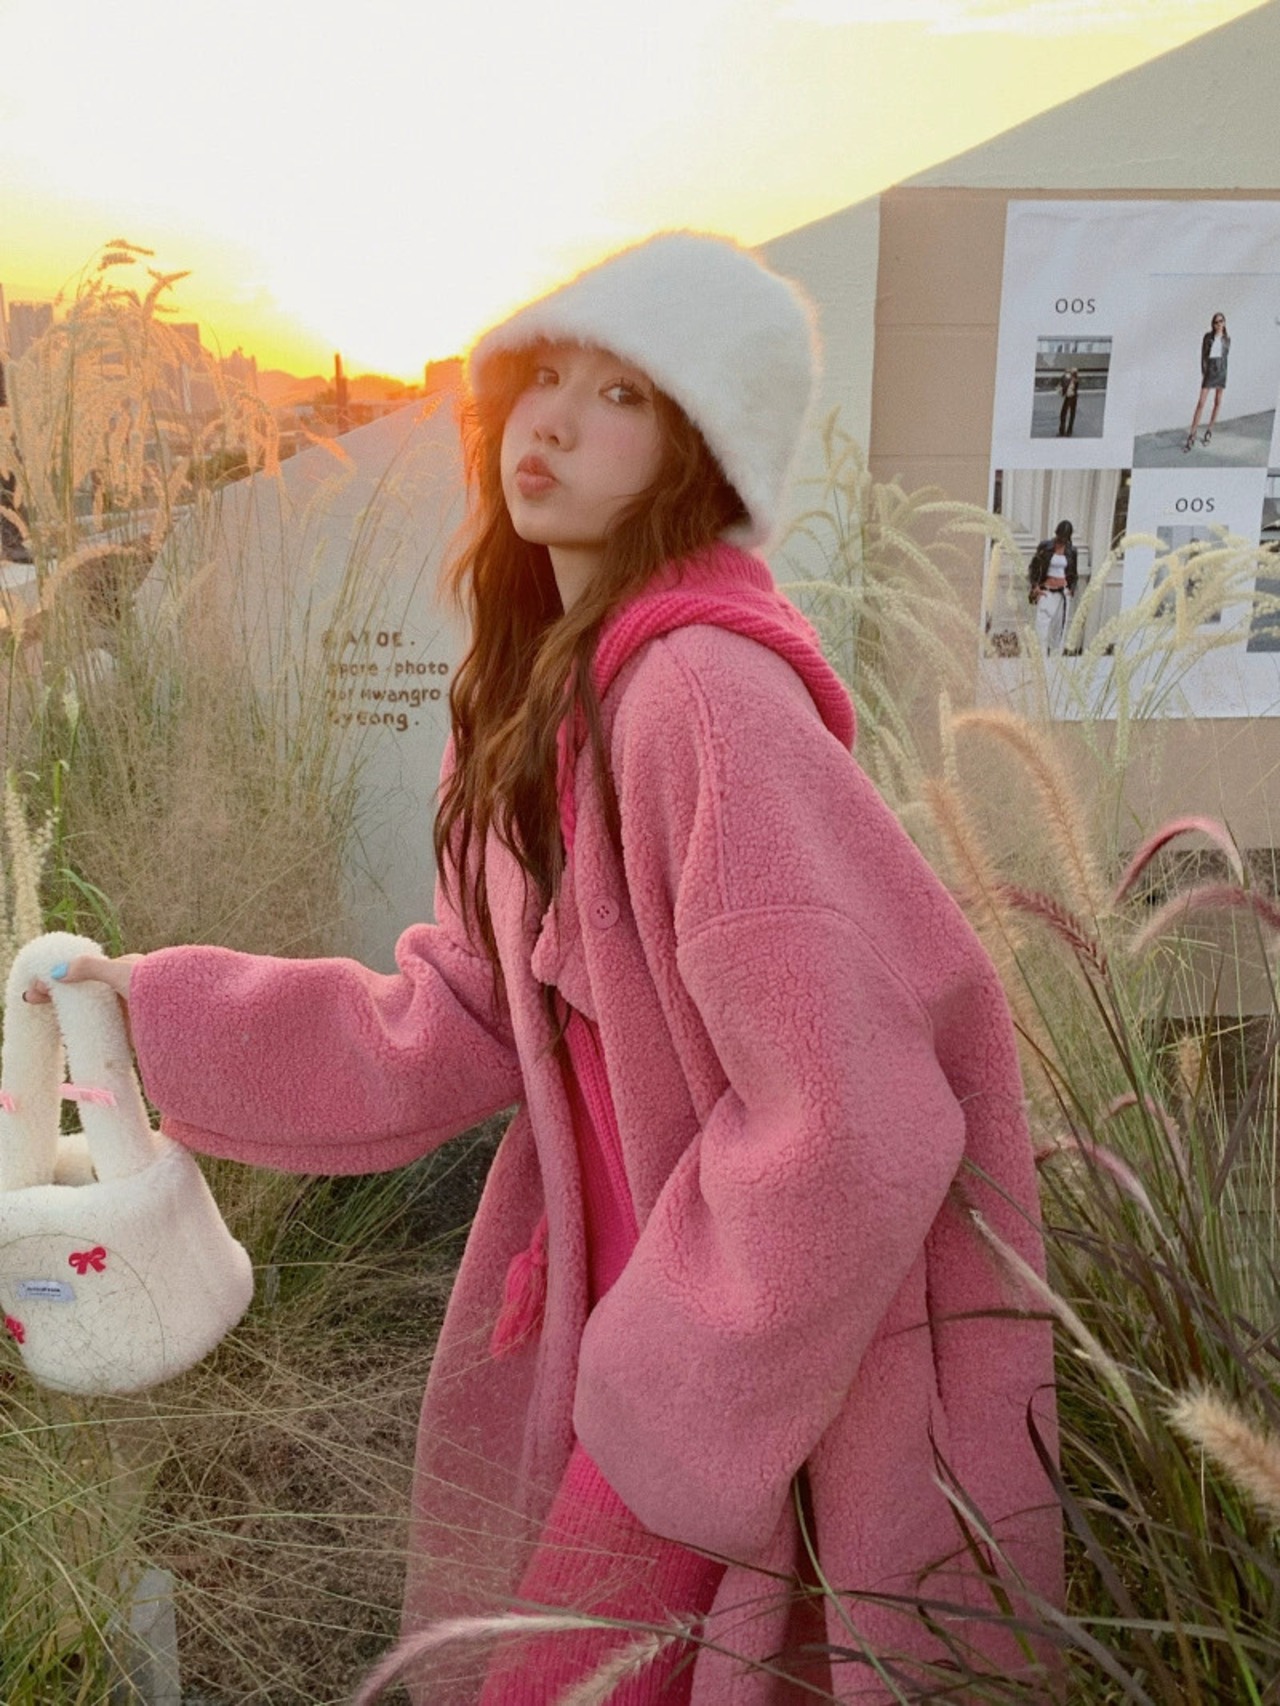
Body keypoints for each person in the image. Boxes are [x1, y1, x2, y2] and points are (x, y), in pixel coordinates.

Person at [29, 233, 1060, 1704]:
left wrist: (671, 1373)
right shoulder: (545, 689)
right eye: (542, 379)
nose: (555, 423)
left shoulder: (702, 698)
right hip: (619, 1317)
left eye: (622, 394)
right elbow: (466, 1008)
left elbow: (854, 1112)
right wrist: (151, 1012)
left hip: (726, 1355)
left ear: (700, 447)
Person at [1028, 520, 1079, 655]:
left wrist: (1071, 589)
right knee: (1041, 629)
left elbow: (1074, 573)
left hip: (1063, 594)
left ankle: (1055, 662)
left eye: (1064, 538)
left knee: (1059, 631)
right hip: (1047, 591)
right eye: (1060, 537)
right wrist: (1035, 586)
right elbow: (1034, 567)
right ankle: (1040, 660)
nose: (1061, 541)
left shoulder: (1072, 551)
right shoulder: (1045, 547)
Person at [1185, 311, 1230, 452]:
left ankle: (1209, 430)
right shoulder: (1207, 337)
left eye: (1221, 321)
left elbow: (1225, 358)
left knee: (1217, 402)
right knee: (1201, 403)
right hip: (1210, 371)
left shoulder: (1227, 339)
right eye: (1216, 322)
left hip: (1221, 372)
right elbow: (1203, 356)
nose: (1219, 324)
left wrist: (1224, 373)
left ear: (1224, 322)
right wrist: (1204, 372)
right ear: (1213, 324)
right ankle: (1192, 434)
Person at [1057, 367, 1080, 437]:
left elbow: (1068, 385)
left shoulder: (1074, 380)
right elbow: (1063, 384)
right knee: (1068, 414)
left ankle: (1065, 432)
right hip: (1071, 397)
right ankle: (1067, 431)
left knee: (1065, 414)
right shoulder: (1069, 378)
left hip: (1071, 397)